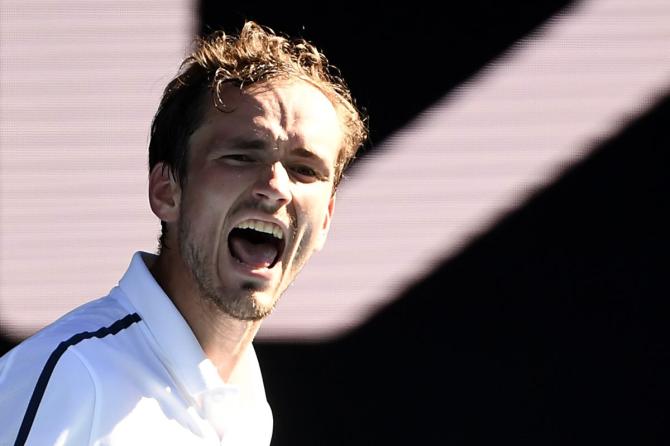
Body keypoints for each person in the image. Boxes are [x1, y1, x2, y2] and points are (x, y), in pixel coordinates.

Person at [0, 21, 367, 445]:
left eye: (305, 170)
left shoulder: (248, 408)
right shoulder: (74, 375)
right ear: (166, 190)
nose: (276, 188)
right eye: (240, 157)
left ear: (325, 220)